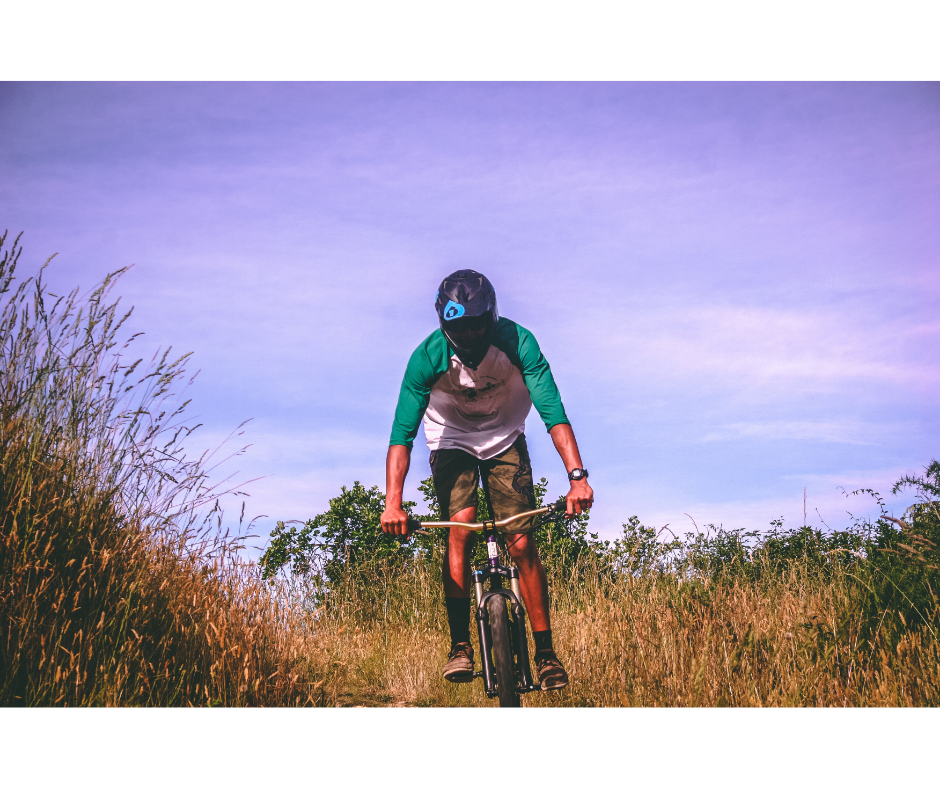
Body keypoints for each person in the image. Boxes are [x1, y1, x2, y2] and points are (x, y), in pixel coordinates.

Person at [380, 269, 593, 690]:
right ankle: (460, 646)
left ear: (491, 315)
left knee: (521, 540)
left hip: (504, 437)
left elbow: (553, 411)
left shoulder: (518, 342)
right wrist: (393, 503)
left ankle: (546, 654)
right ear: (446, 325)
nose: (471, 332)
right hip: (451, 438)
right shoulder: (427, 357)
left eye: (478, 322)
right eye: (460, 326)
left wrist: (577, 478)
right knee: (460, 530)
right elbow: (401, 436)